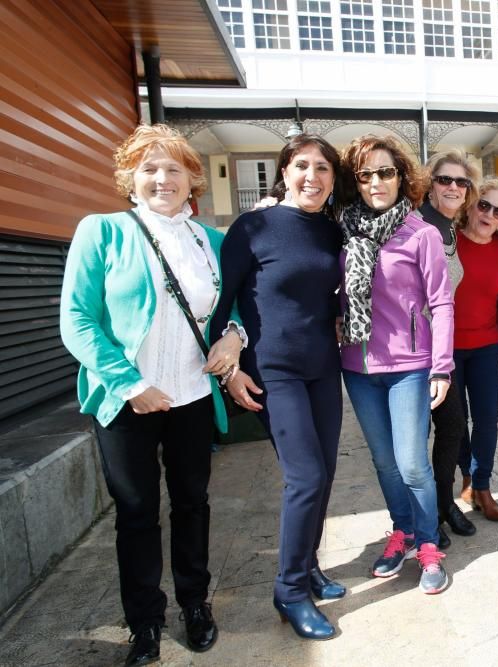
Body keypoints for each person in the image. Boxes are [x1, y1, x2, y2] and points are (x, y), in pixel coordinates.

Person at [61, 125, 242, 665]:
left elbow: (232, 311)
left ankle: (194, 604)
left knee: (193, 504)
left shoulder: (211, 242)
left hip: (190, 396)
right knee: (136, 513)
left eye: (173, 168)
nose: (162, 178)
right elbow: (77, 320)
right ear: (130, 178)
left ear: (193, 178)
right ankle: (145, 622)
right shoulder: (103, 232)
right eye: (148, 168)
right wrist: (130, 384)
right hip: (127, 401)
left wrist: (234, 338)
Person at [211, 133, 344, 640]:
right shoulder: (253, 226)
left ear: (333, 180)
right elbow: (224, 303)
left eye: (324, 169)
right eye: (302, 166)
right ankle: (289, 591)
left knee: (326, 472)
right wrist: (231, 369)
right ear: (284, 172)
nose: (313, 176)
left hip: (322, 366)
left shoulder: (331, 232)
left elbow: (328, 296)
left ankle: (307, 564)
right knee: (304, 476)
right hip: (272, 369)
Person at [338, 134, 453, 594]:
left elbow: (442, 304)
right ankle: (401, 532)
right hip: (357, 365)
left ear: (402, 176)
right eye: (365, 175)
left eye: (385, 171)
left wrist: (441, 366)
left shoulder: (420, 233)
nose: (376, 182)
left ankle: (428, 545)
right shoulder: (343, 229)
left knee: (411, 464)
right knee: (384, 463)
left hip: (409, 365)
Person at [415, 150, 480, 548]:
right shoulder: (419, 223)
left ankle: (441, 503)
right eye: (445, 180)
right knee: (418, 436)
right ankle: (426, 516)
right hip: (413, 349)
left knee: (453, 427)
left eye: (461, 182)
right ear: (430, 184)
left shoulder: (451, 228)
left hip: (441, 349)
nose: (453, 187)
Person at [453, 178, 498, 521]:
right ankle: (466, 474)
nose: (489, 214)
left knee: (486, 419)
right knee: (454, 422)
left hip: (486, 346)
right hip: (447, 349)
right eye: (484, 205)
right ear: (470, 205)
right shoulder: (446, 242)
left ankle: (482, 485)